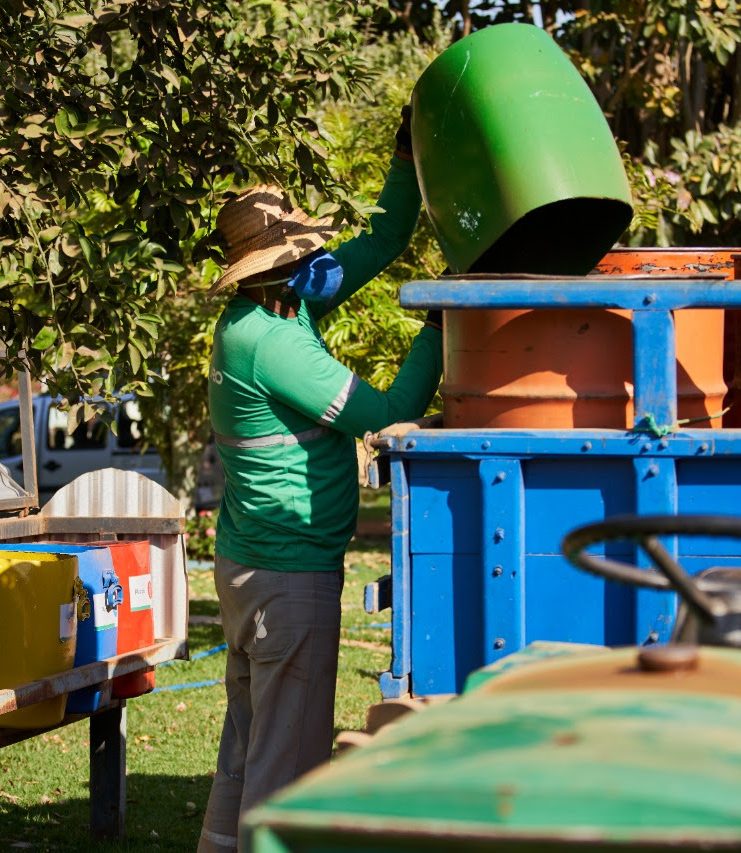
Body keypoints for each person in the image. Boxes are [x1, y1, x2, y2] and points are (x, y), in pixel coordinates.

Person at [197, 109, 443, 853]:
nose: (317, 256)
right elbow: (393, 412)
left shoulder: (275, 310)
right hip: (288, 574)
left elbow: (380, 242)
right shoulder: (277, 345)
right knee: (288, 765)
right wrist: (445, 322)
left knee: (247, 750)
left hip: (250, 563)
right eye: (303, 248)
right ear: (277, 265)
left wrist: (406, 164)